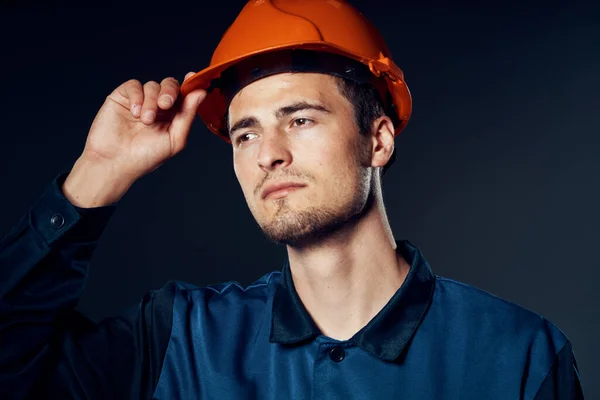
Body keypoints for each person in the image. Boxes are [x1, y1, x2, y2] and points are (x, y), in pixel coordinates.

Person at [0, 0, 584, 399]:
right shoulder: (182, 339)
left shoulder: (518, 354)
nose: (267, 154)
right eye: (244, 133)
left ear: (377, 139)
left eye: (300, 119)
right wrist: (97, 173)